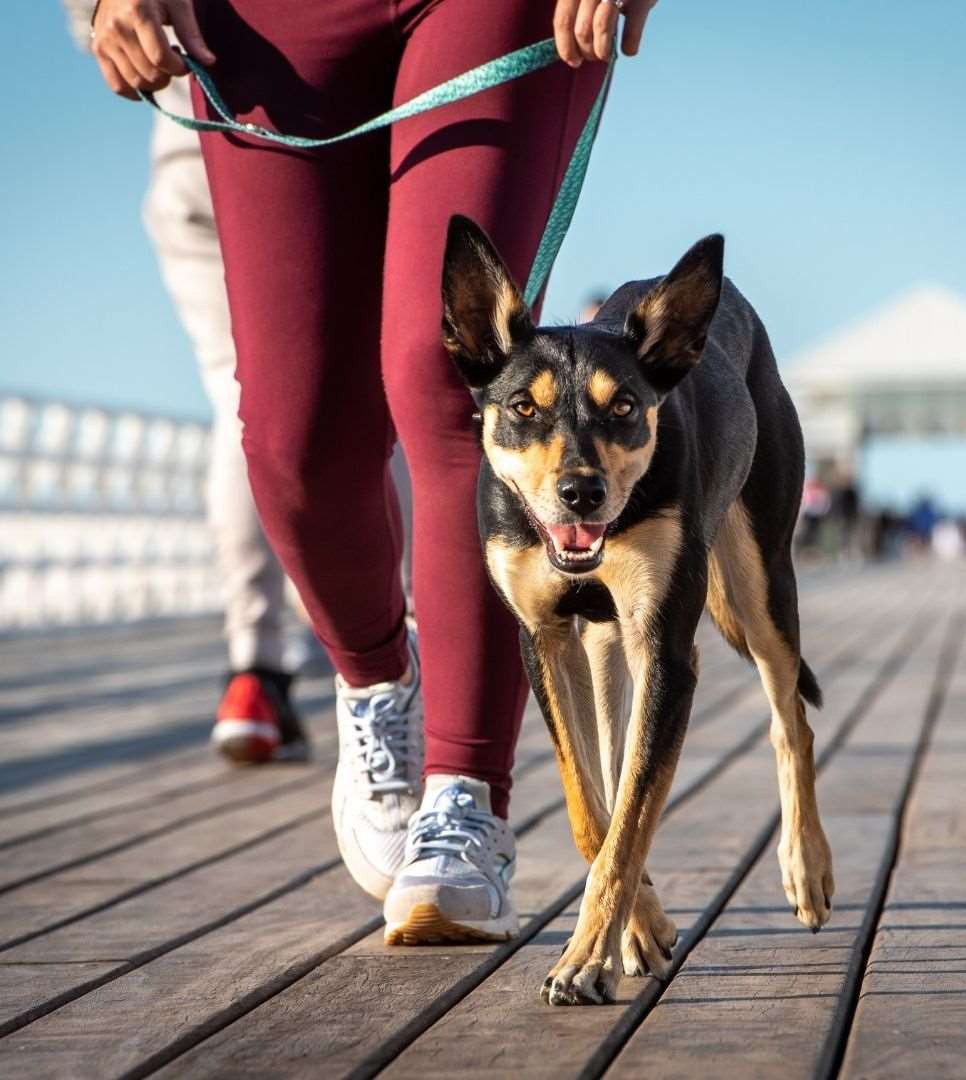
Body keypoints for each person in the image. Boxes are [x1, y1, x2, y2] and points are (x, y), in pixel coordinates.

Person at [87, 0, 659, 943]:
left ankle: (466, 794)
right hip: (265, 19)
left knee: (452, 375)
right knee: (296, 432)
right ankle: (375, 679)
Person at [65, 0, 311, 765]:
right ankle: (396, 651)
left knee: (242, 403)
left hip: (191, 150)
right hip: (318, 131)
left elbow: (96, 24)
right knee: (360, 396)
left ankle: (255, 671)